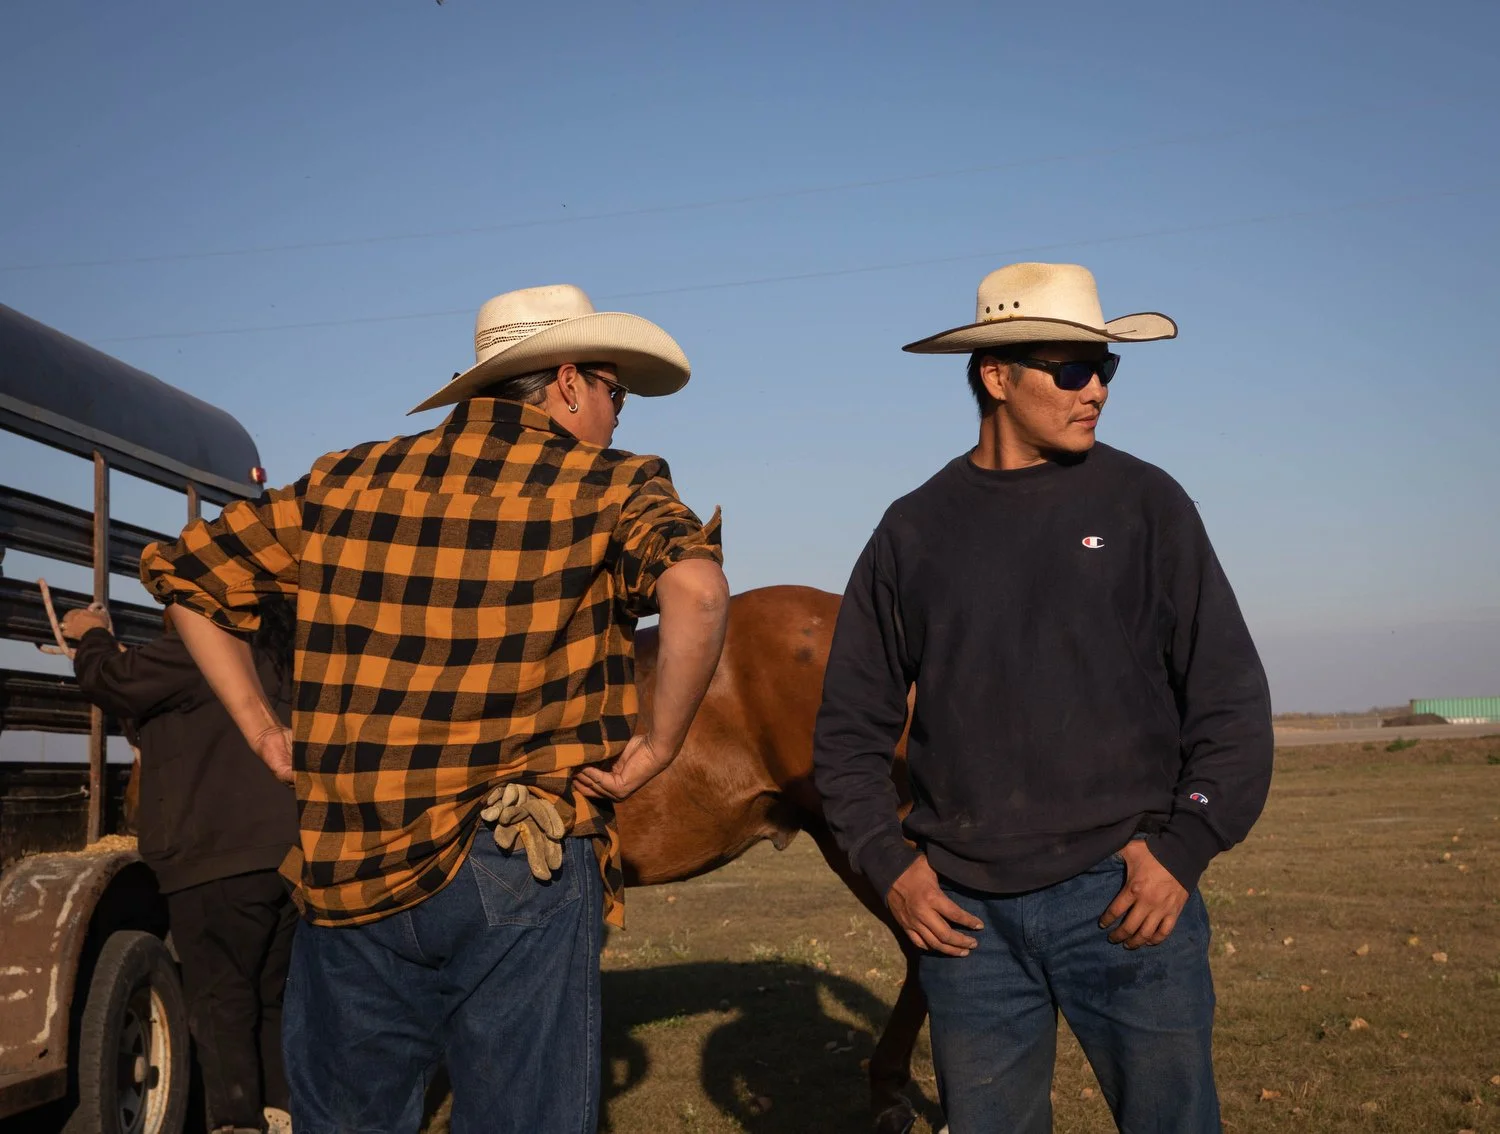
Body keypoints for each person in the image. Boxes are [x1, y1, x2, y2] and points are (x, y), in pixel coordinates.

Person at [139, 284, 731, 1133]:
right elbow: (700, 591)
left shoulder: (344, 479)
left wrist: (267, 731)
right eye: (614, 391)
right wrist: (658, 745)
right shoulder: (610, 484)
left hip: (349, 861)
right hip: (514, 853)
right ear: (566, 382)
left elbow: (188, 578)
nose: (617, 414)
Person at [812, 262, 1274, 1133]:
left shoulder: (1147, 505)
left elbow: (1231, 702)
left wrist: (1183, 848)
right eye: (1070, 369)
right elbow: (846, 732)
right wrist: (892, 868)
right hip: (966, 924)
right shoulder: (912, 530)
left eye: (1106, 367)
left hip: (1126, 901)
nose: (1095, 388)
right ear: (996, 375)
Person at [64, 600, 298, 1134]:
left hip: (215, 857)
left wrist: (92, 635)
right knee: (270, 1000)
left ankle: (235, 1124)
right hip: (283, 858)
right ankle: (281, 1119)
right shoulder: (280, 653)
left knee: (220, 1003)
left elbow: (111, 680)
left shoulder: (204, 645)